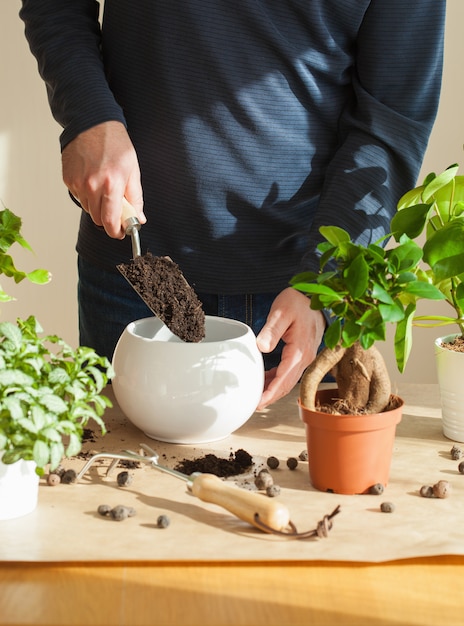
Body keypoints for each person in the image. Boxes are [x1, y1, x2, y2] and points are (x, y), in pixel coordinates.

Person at [19, 1, 445, 409]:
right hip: (133, 271)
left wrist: (325, 282)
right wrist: (88, 116)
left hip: (296, 303)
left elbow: (391, 121)